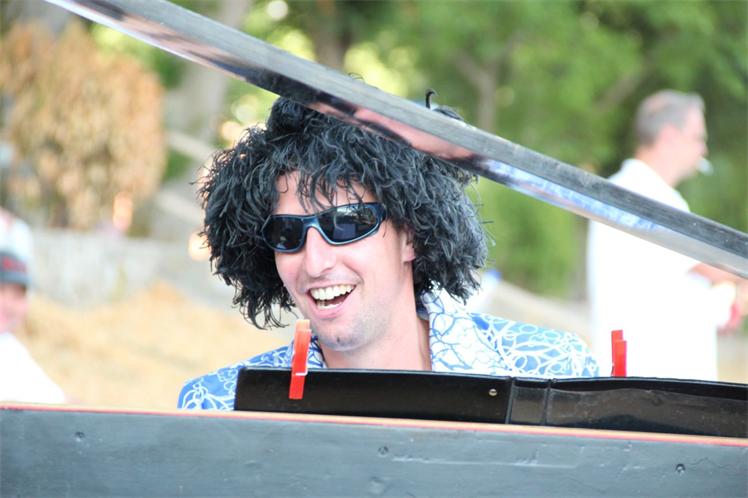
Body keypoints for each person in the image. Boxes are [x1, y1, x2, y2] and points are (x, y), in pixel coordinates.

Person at [179, 97, 599, 410]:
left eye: (345, 223)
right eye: (287, 233)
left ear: (411, 233)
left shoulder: (553, 374)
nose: (315, 262)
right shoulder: (221, 408)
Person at [587, 90, 746, 380]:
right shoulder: (648, 196)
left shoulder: (627, 189)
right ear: (670, 137)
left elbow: (672, 294)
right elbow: (722, 265)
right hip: (652, 385)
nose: (703, 149)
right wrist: (738, 282)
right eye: (698, 137)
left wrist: (730, 298)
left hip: (645, 382)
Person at [0, 249, 66, 403]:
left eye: (17, 296)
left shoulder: (11, 350)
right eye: (0, 290)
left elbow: (58, 401)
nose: (7, 304)